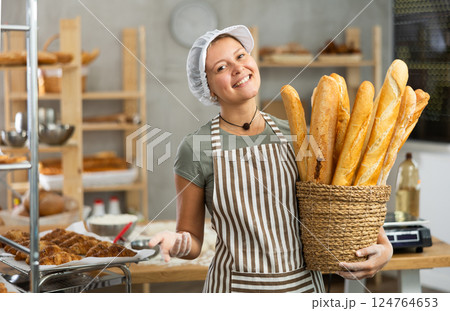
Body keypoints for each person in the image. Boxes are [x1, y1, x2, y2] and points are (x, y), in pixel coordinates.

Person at [148, 25, 393, 293]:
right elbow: (193, 240)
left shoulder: (297, 136)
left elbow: (341, 204)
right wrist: (176, 241)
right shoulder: (195, 148)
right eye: (221, 67)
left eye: (241, 56)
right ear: (208, 88)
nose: (238, 68)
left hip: (303, 290)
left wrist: (385, 246)